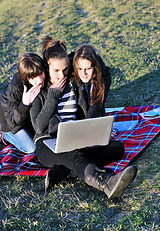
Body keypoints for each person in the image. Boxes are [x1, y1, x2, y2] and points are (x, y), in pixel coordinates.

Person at [30, 36, 137, 199]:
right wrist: (53, 95)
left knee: (117, 149)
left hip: (74, 136)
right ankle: (106, 183)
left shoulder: (72, 77)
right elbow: (39, 127)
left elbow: (95, 63)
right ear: (47, 69)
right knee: (76, 156)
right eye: (56, 71)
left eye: (65, 69)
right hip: (47, 142)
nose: (62, 75)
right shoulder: (40, 87)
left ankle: (63, 172)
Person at [0, 53, 46, 153]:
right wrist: (25, 104)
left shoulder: (44, 77)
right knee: (32, 149)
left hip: (27, 118)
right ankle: (4, 136)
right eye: (33, 77)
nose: (39, 80)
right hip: (10, 123)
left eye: (40, 73)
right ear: (26, 77)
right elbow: (12, 123)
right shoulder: (16, 87)